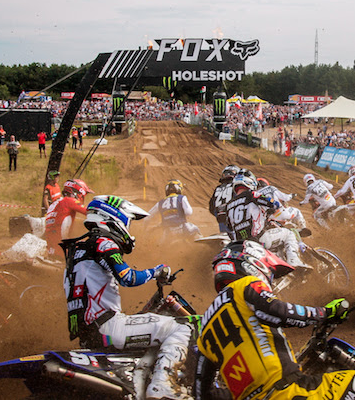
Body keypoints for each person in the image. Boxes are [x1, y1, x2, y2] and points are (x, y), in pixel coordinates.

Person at [194, 240, 355, 400]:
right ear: (252, 264)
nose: (271, 279)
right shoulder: (243, 286)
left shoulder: (205, 329)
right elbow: (277, 311)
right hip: (289, 391)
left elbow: (202, 393)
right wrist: (324, 313)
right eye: (271, 273)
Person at [61, 195, 193, 400]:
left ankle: (141, 383)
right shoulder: (103, 243)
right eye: (127, 222)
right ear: (113, 219)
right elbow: (127, 277)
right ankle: (162, 385)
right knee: (182, 327)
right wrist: (156, 271)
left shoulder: (77, 252)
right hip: (108, 326)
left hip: (89, 333)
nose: (128, 229)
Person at [43, 178, 93, 256]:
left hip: (52, 248)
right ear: (79, 193)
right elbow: (89, 212)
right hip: (62, 251)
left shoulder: (55, 203)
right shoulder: (69, 201)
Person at [208, 165, 240, 234]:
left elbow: (211, 207)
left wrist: (218, 212)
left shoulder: (217, 188)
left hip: (220, 217)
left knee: (225, 233)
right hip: (234, 217)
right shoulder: (236, 186)